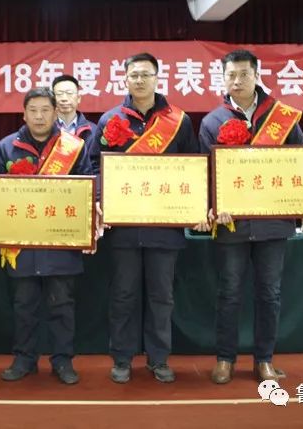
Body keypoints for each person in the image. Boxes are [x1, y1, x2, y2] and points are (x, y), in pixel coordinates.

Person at [197, 49, 303, 384]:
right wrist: (213, 203)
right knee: (229, 293)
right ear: (223, 78)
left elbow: (302, 163)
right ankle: (225, 359)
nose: (237, 81)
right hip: (231, 223)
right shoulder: (212, 122)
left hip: (272, 223)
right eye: (230, 75)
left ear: (256, 76)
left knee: (269, 294)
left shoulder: (282, 117)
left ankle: (264, 360)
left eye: (243, 74)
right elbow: (205, 174)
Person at [89, 52, 199, 384]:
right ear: (125, 79)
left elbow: (193, 166)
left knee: (161, 297)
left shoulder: (179, 120)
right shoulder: (110, 120)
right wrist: (100, 201)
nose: (139, 80)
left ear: (156, 78)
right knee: (123, 295)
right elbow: (94, 166)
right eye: (133, 75)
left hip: (163, 227)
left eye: (145, 74)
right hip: (123, 227)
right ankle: (122, 358)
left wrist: (195, 207)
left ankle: (159, 358)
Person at [0, 87, 94, 385]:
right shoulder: (6, 147)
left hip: (61, 242)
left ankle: (63, 361)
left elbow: (88, 190)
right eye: (33, 110)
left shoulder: (73, 147)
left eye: (45, 110)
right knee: (24, 306)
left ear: (56, 112)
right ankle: (24, 359)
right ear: (23, 114)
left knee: (62, 305)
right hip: (22, 245)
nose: (39, 116)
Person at [51, 74, 96, 142]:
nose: (64, 99)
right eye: (59, 94)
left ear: (78, 98)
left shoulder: (92, 130)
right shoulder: (44, 128)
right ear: (53, 99)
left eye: (69, 93)